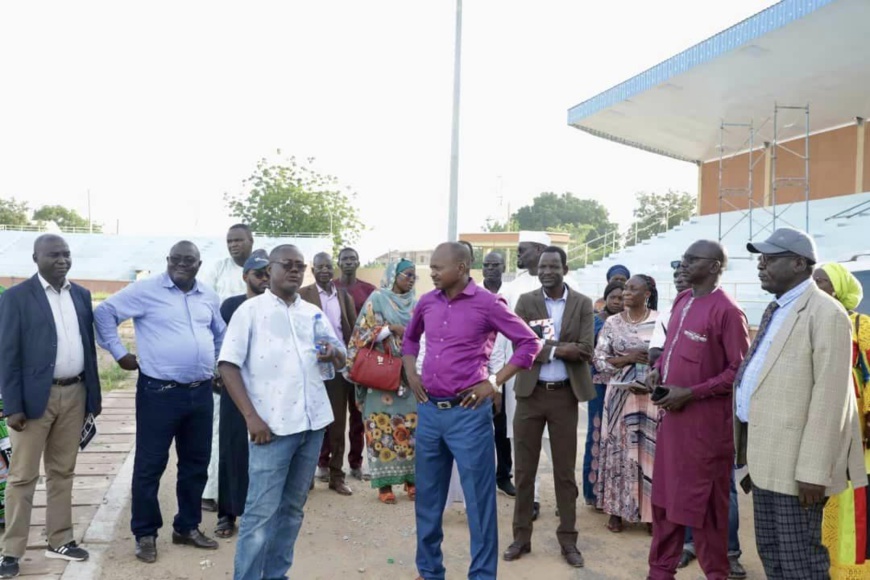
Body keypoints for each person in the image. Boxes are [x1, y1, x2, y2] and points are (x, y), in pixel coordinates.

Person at [403, 242, 541, 580]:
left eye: (438, 267)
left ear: (462, 268)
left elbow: (529, 344)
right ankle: (429, 570)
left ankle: (481, 575)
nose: (431, 272)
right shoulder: (427, 302)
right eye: (431, 267)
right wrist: (411, 373)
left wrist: (493, 383)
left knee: (479, 502)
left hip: (468, 414)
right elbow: (409, 341)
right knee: (428, 499)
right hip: (430, 412)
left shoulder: (489, 304)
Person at [736, 228, 865, 579]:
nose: (760, 265)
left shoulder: (827, 314)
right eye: (760, 258)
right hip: (765, 459)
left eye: (769, 259)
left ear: (798, 263)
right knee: (772, 553)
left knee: (800, 562)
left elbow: (830, 401)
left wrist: (813, 471)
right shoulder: (776, 308)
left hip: (797, 469)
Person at [218, 244, 345, 580]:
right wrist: (251, 417)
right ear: (269, 270)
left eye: (299, 265)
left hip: (312, 424)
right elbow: (227, 366)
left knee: (291, 510)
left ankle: (276, 574)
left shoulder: (312, 313)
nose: (294, 270)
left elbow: (342, 355)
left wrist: (334, 352)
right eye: (286, 264)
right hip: (271, 429)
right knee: (260, 514)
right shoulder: (250, 311)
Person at [95, 241, 225, 564]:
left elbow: (220, 332)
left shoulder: (208, 295)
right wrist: (119, 352)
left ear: (199, 263)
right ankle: (145, 533)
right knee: (150, 465)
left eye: (189, 260)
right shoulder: (145, 290)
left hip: (200, 392)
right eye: (176, 259)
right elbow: (104, 312)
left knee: (196, 464)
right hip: (159, 393)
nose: (182, 264)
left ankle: (187, 526)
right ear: (167, 261)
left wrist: (221, 363)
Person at [645, 241, 750, 580]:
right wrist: (658, 369)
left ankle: (717, 573)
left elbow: (738, 371)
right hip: (672, 424)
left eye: (692, 259)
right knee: (664, 503)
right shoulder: (683, 299)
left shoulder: (728, 311)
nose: (683, 264)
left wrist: (690, 393)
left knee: (706, 512)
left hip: (706, 432)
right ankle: (660, 572)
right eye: (683, 258)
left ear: (716, 266)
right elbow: (671, 348)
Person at [0, 235, 102, 578]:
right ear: (35, 258)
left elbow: (87, 348)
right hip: (31, 402)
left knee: (63, 472)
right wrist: (12, 405)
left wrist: (93, 399)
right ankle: (11, 552)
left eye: (66, 254)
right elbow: (7, 355)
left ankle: (60, 538)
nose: (62, 259)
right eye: (53, 254)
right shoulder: (16, 298)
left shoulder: (81, 295)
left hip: (74, 395)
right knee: (22, 476)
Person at [504, 246, 594, 568]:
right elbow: (520, 344)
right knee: (525, 472)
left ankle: (568, 540)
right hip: (529, 395)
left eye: (553, 266)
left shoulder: (582, 303)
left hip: (564, 397)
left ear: (565, 269)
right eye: (542, 266)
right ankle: (521, 537)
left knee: (564, 473)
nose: (546, 271)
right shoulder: (525, 302)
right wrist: (558, 349)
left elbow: (585, 350)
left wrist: (543, 346)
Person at [813, 263, 870, 579]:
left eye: (821, 281)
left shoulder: (862, 325)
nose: (814, 286)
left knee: (850, 496)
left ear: (838, 289)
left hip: (853, 426)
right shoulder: (809, 322)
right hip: (815, 420)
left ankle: (848, 567)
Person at [346, 260, 417, 504]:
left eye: (414, 276)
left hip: (408, 377)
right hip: (380, 376)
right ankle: (384, 486)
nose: (411, 279)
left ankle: (412, 481)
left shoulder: (416, 304)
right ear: (394, 275)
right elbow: (360, 334)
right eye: (407, 274)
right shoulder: (377, 299)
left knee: (411, 430)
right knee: (379, 430)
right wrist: (389, 329)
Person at [593, 274, 659, 533]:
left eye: (633, 289)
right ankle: (616, 512)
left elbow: (667, 358)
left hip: (650, 397)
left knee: (649, 452)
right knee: (619, 452)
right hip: (620, 396)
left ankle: (650, 514)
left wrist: (649, 366)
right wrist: (628, 359)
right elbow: (599, 360)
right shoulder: (611, 323)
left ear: (647, 294)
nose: (626, 293)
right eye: (625, 289)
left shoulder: (660, 320)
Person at [214, 250, 270, 539]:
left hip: (269, 391)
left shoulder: (276, 306)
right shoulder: (231, 306)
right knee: (232, 450)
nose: (264, 279)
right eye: (259, 273)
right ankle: (227, 513)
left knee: (265, 452)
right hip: (235, 389)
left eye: (268, 273)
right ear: (245, 275)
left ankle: (257, 512)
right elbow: (218, 343)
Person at [199, 224, 255, 513]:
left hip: (257, 364)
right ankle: (212, 491)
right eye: (229, 241)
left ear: (251, 241)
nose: (234, 245)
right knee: (220, 430)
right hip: (224, 362)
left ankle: (249, 494)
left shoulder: (263, 268)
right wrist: (213, 368)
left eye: (239, 240)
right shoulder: (216, 270)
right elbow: (207, 315)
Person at [300, 252, 358, 496]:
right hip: (309, 369)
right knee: (309, 423)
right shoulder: (302, 295)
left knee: (337, 424)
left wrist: (349, 362)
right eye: (320, 266)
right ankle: (306, 478)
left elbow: (352, 332)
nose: (324, 270)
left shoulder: (343, 296)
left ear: (333, 270)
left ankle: (337, 475)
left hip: (336, 368)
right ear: (313, 270)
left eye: (328, 266)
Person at [333, 247, 376, 481]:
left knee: (358, 415)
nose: (348, 262)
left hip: (362, 362)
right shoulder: (329, 288)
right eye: (344, 259)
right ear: (338, 262)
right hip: (335, 362)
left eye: (352, 258)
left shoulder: (368, 291)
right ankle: (326, 462)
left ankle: (356, 463)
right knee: (333, 416)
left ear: (358, 262)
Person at [583, 280, 624, 506]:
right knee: (597, 435)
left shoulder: (627, 323)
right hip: (599, 386)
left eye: (621, 298)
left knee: (618, 439)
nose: (618, 302)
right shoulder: (594, 322)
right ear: (606, 298)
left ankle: (614, 493)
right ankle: (593, 493)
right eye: (613, 297)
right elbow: (588, 352)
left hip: (622, 387)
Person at [481, 251, 515, 497]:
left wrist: (498, 383)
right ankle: (480, 479)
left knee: (503, 429)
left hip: (504, 372)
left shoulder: (510, 296)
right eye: (486, 265)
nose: (491, 268)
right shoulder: (472, 294)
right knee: (477, 430)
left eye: (495, 264)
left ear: (504, 266)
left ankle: (504, 475)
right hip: (474, 372)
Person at [648, 264, 690, 365]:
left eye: (684, 275)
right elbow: (654, 354)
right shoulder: (667, 312)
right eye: (676, 275)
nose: (678, 280)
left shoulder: (717, 309)